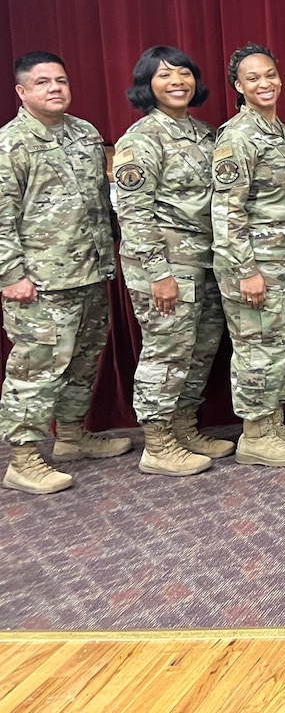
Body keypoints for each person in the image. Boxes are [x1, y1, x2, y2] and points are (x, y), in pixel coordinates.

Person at [0, 53, 128, 494]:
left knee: (82, 359)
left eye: (60, 79)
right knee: (35, 368)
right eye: (42, 82)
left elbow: (100, 199)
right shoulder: (11, 144)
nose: (54, 88)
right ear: (22, 92)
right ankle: (23, 458)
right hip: (39, 282)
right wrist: (11, 275)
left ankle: (72, 436)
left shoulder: (85, 133)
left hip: (90, 271)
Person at [113, 46, 230, 477]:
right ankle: (158, 443)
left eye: (184, 73)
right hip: (165, 264)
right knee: (167, 352)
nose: (177, 81)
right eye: (164, 75)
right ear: (147, 86)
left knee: (199, 350)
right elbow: (133, 212)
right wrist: (158, 274)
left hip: (205, 261)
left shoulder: (205, 134)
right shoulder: (141, 140)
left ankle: (184, 426)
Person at [213, 43, 285, 467]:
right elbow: (226, 210)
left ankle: (272, 422)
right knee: (257, 349)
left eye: (270, 74)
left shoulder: (279, 132)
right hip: (255, 264)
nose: (264, 83)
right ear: (238, 86)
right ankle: (255, 434)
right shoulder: (239, 136)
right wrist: (246, 270)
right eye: (253, 78)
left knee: (280, 346)